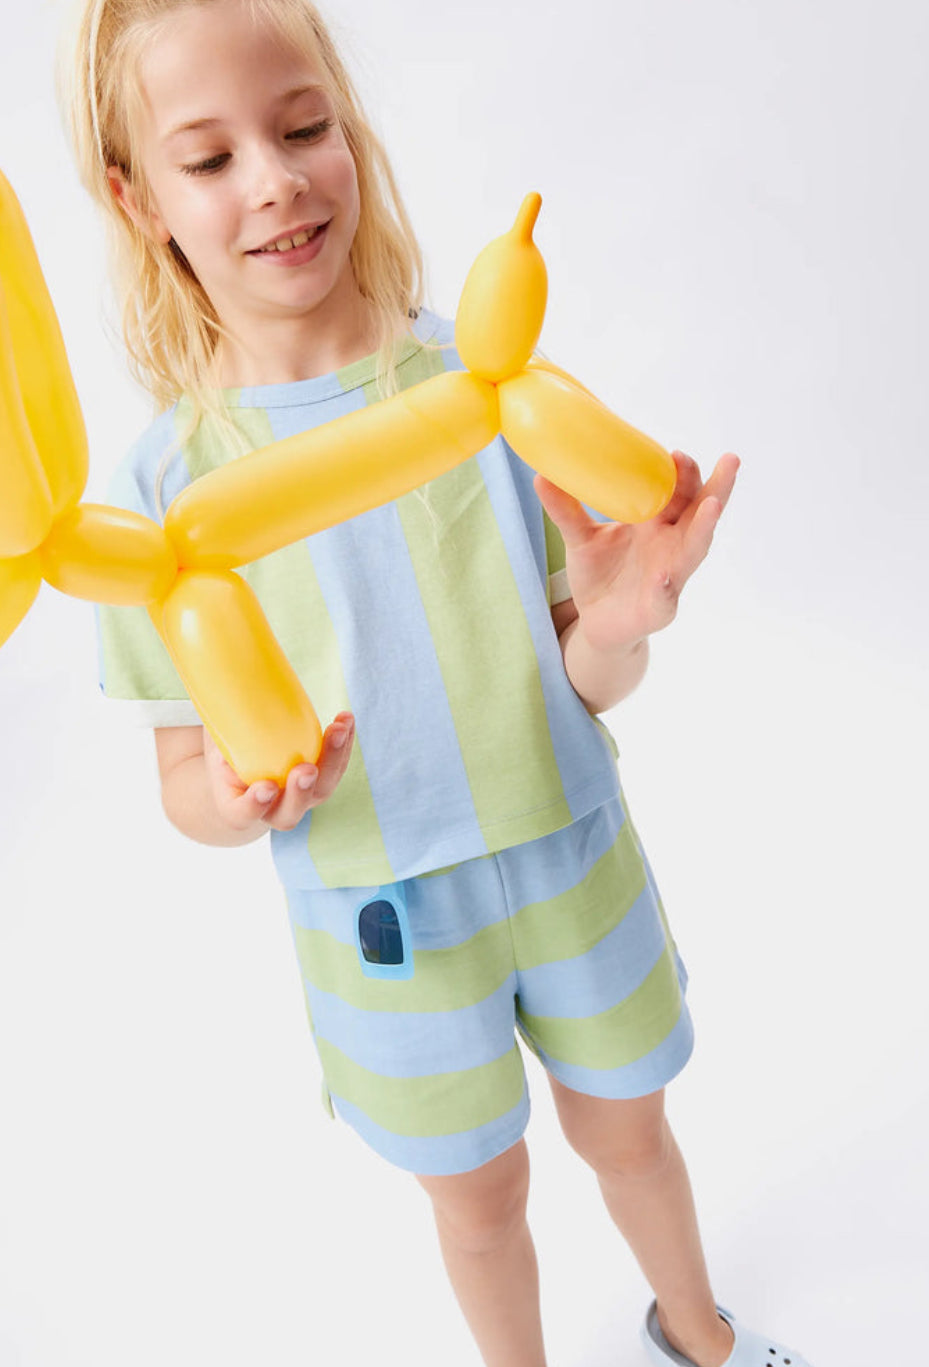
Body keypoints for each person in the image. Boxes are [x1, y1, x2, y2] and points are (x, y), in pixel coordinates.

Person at [66, 3, 810, 1365]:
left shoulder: (481, 382)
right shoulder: (162, 493)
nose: (277, 180)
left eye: (301, 129)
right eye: (211, 157)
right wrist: (237, 800)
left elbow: (578, 672)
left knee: (629, 1126)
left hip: (570, 852)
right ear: (135, 198)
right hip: (383, 917)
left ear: (346, 128)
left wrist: (626, 614)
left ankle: (692, 1327)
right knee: (478, 1197)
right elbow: (180, 780)